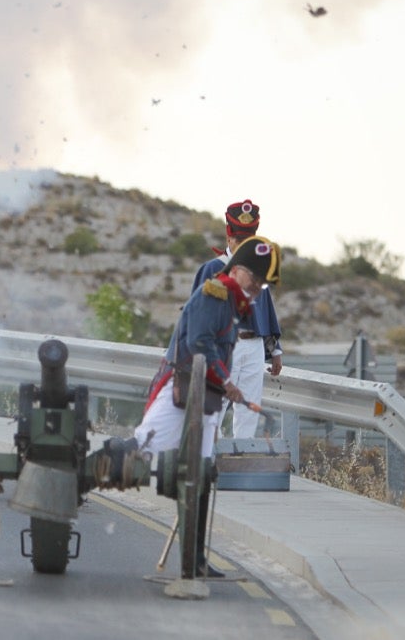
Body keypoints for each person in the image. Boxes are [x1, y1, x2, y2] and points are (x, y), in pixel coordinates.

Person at [130, 235, 281, 577]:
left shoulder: (233, 302)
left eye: (261, 284)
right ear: (237, 270)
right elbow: (199, 342)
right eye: (254, 279)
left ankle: (196, 559)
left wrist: (222, 385)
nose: (256, 289)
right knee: (141, 450)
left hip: (205, 394)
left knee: (201, 475)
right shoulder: (215, 293)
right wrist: (227, 382)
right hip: (182, 388)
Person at [192, 200, 283, 439]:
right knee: (217, 405)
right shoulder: (213, 268)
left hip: (254, 345)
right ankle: (210, 455)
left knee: (249, 408)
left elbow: (265, 308)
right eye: (239, 238)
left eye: (249, 238)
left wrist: (275, 350)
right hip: (225, 345)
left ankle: (242, 456)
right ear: (229, 236)